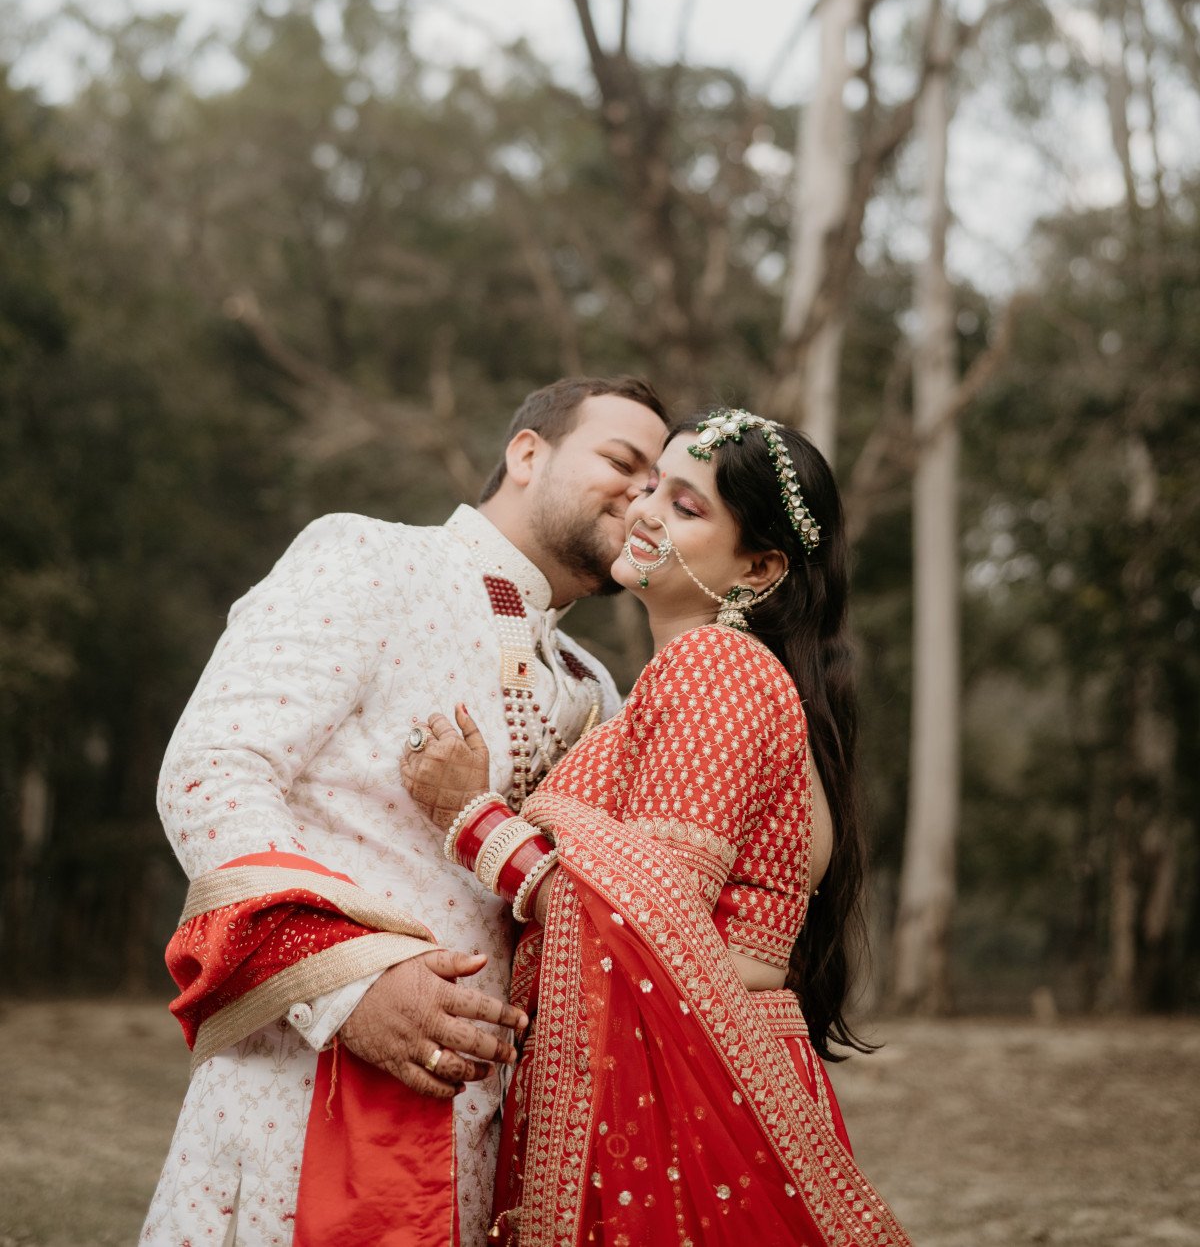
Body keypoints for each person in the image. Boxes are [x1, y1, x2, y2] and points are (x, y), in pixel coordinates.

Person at [140, 375, 669, 1247]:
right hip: (309, 1103)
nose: (643, 496)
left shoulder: (593, 684)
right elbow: (213, 771)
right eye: (623, 461)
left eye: (659, 484)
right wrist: (349, 983)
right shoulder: (372, 558)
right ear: (526, 453)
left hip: (491, 1147)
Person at [403, 407, 914, 1247]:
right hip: (691, 1073)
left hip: (685, 1090)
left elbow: (646, 916)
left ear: (760, 566)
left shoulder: (713, 666)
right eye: (650, 487)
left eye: (685, 505)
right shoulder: (701, 682)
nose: (643, 512)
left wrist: (471, 818)